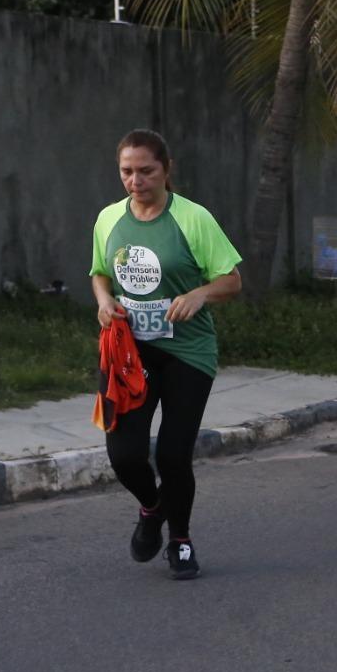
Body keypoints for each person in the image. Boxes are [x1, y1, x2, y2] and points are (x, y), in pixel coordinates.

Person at [91, 130, 243, 580]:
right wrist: (103, 301)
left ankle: (179, 539)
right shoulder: (108, 219)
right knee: (124, 455)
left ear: (166, 170)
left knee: (174, 456)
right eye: (126, 172)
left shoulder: (194, 219)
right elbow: (99, 273)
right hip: (129, 355)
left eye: (145, 171)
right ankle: (152, 508)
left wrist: (200, 294)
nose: (135, 181)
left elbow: (232, 280)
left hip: (186, 353)